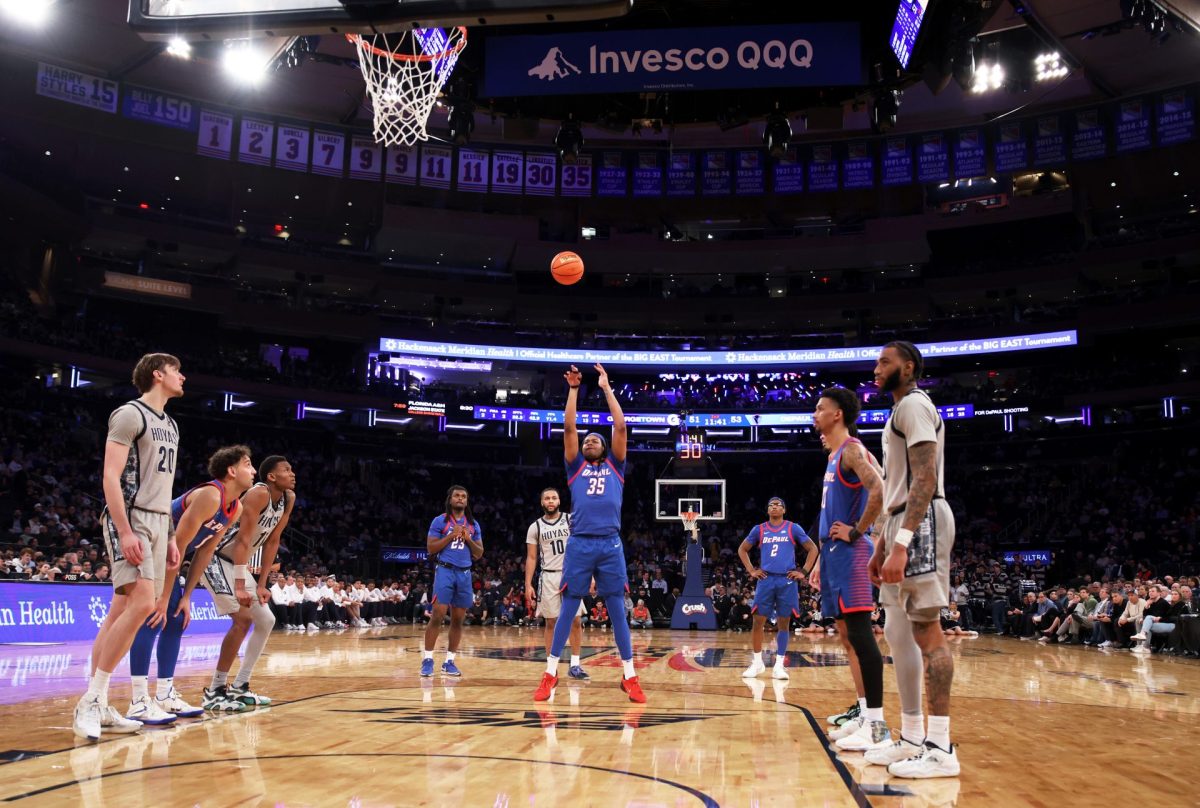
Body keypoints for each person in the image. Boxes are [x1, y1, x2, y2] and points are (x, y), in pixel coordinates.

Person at [75, 353, 184, 741]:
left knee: (122, 608)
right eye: (177, 370)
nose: (183, 376)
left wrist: (170, 534)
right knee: (141, 604)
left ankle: (101, 706)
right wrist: (124, 530)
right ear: (158, 374)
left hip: (158, 520)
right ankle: (91, 699)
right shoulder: (129, 414)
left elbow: (164, 487)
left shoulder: (170, 424)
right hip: (132, 517)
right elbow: (110, 475)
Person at [865, 341, 960, 778]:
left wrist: (902, 541)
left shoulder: (915, 405)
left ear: (909, 366)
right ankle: (911, 738)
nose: (877, 367)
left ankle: (940, 747)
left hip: (921, 521)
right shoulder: (898, 410)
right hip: (901, 522)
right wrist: (884, 542)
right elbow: (900, 485)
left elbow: (925, 477)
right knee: (897, 633)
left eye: (885, 361)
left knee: (927, 632)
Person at [535, 364, 646, 704]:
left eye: (597, 439)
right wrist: (572, 390)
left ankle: (630, 677)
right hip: (580, 542)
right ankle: (551, 673)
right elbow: (569, 427)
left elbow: (621, 426)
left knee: (616, 609)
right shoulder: (574, 468)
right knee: (568, 608)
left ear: (605, 448)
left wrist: (606, 388)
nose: (592, 441)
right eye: (588, 440)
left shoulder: (616, 465)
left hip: (611, 543)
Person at [124, 445, 255, 725]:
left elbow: (205, 551)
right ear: (231, 471)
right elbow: (178, 546)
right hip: (149, 549)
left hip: (170, 559)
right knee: (154, 618)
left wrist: (186, 596)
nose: (253, 470)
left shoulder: (235, 506)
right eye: (248, 464)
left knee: (175, 619)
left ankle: (163, 693)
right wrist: (166, 596)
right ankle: (138, 699)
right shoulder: (210, 494)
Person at [808, 387, 889, 753]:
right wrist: (823, 557)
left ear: (837, 414)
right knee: (845, 635)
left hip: (853, 551)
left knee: (860, 634)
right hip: (835, 553)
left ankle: (877, 725)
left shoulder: (852, 450)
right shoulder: (833, 455)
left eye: (820, 408)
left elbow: (880, 489)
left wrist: (859, 530)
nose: (815, 414)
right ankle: (863, 712)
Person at [192, 456, 295, 711]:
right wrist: (241, 583)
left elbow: (272, 542)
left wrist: (262, 584)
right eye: (286, 470)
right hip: (215, 557)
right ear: (271, 476)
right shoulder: (257, 494)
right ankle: (215, 690)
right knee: (243, 619)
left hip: (238, 563)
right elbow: (242, 540)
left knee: (266, 620)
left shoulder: (288, 498)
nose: (292, 474)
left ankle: (240, 686)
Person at [737, 497, 816, 682]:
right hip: (766, 579)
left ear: (784, 510)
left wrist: (803, 571)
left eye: (778, 504)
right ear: (767, 510)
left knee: (783, 623)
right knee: (758, 621)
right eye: (770, 504)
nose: (774, 506)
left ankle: (779, 666)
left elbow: (812, 548)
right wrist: (751, 570)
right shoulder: (759, 529)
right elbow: (742, 549)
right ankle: (757, 663)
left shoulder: (793, 527)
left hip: (786, 580)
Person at [524, 487, 588, 680]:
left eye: (554, 498)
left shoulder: (571, 520)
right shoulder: (535, 527)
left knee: (575, 621)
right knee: (551, 622)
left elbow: (584, 548)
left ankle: (575, 665)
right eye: (547, 499)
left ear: (559, 501)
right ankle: (552, 668)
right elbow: (532, 557)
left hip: (571, 575)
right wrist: (528, 584)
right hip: (549, 577)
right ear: (542, 503)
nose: (551, 501)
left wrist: (590, 574)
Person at [421, 485, 484, 677]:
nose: (460, 499)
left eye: (464, 496)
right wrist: (451, 535)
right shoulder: (440, 521)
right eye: (457, 496)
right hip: (445, 570)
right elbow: (431, 548)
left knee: (458, 619)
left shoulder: (473, 524)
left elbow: (479, 553)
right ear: (450, 499)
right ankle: (428, 659)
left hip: (465, 573)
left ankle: (449, 662)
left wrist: (467, 538)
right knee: (438, 615)